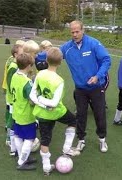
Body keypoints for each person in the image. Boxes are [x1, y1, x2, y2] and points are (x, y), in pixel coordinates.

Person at [60, 20, 111, 153]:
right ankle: (81, 140)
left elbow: (106, 60)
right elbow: (53, 55)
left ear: (83, 30)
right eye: (72, 32)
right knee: (81, 116)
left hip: (96, 87)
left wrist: (98, 76)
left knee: (99, 114)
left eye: (77, 31)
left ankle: (102, 139)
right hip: (80, 89)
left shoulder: (93, 43)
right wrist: (35, 54)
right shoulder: (67, 48)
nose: (75, 34)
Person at [29, 47, 80, 176]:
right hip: (56, 111)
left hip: (42, 113)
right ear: (60, 62)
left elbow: (32, 95)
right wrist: (45, 103)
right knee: (73, 121)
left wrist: (40, 101)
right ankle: (67, 148)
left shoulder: (40, 74)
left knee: (45, 140)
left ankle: (46, 168)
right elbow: (54, 103)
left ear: (46, 60)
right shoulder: (59, 81)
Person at [10, 53, 38, 170]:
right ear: (28, 66)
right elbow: (32, 101)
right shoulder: (27, 83)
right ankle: (22, 162)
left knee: (18, 135)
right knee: (30, 138)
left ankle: (22, 157)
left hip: (17, 112)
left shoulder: (15, 76)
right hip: (26, 115)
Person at [3, 44, 24, 156]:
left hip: (14, 98)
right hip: (13, 98)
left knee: (14, 117)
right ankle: (9, 139)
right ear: (15, 54)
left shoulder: (17, 65)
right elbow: (10, 83)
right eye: (22, 53)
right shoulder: (13, 66)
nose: (23, 54)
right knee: (12, 117)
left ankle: (15, 137)